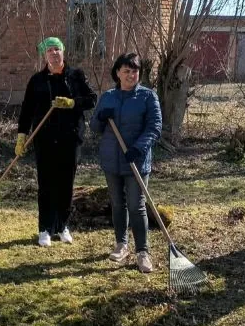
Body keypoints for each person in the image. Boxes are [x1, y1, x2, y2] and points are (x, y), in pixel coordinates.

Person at [16, 37, 97, 247]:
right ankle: (45, 228)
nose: (54, 53)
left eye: (57, 49)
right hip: (44, 140)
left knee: (65, 184)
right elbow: (26, 110)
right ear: (45, 55)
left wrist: (73, 103)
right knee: (46, 184)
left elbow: (92, 99)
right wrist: (22, 135)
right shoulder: (37, 80)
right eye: (50, 50)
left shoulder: (76, 76)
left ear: (63, 52)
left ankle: (62, 226)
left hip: (70, 140)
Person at [89, 53, 162, 273]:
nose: (131, 75)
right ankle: (121, 244)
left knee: (136, 205)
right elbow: (94, 127)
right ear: (118, 73)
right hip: (112, 160)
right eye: (127, 71)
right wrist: (100, 118)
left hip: (136, 160)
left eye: (135, 71)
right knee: (118, 204)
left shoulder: (148, 97)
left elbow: (155, 127)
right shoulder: (108, 97)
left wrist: (139, 148)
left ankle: (143, 252)